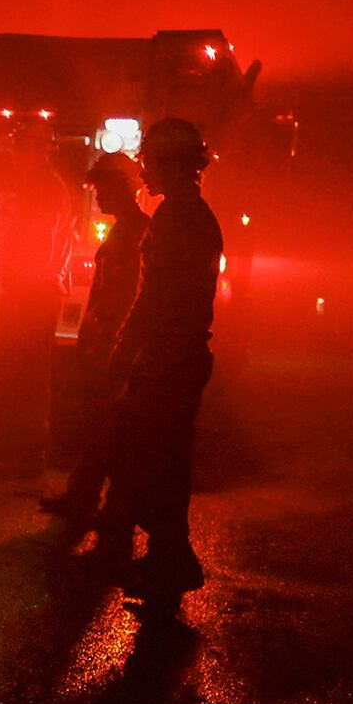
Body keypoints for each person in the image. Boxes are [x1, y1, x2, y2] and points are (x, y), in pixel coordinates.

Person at [104, 117, 223, 601]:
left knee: (155, 457)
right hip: (181, 352)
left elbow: (155, 295)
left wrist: (123, 348)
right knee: (163, 458)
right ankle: (168, 557)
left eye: (148, 160)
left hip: (168, 356)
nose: (143, 169)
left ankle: (171, 559)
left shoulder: (177, 217)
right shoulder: (193, 213)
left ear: (169, 163)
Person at [39, 151, 149, 525]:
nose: (97, 195)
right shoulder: (127, 229)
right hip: (107, 342)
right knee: (99, 424)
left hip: (115, 346)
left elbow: (130, 295)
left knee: (108, 425)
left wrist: (114, 345)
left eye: (103, 187)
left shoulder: (137, 233)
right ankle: (84, 497)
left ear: (124, 187)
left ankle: (101, 506)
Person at [0, 119, 73, 479]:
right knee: (14, 376)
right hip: (25, 293)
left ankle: (18, 459)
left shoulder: (45, 191)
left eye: (24, 147)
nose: (16, 154)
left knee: (22, 378)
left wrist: (8, 279)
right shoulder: (36, 187)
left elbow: (35, 247)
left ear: (40, 151)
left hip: (30, 296)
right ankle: (10, 456)